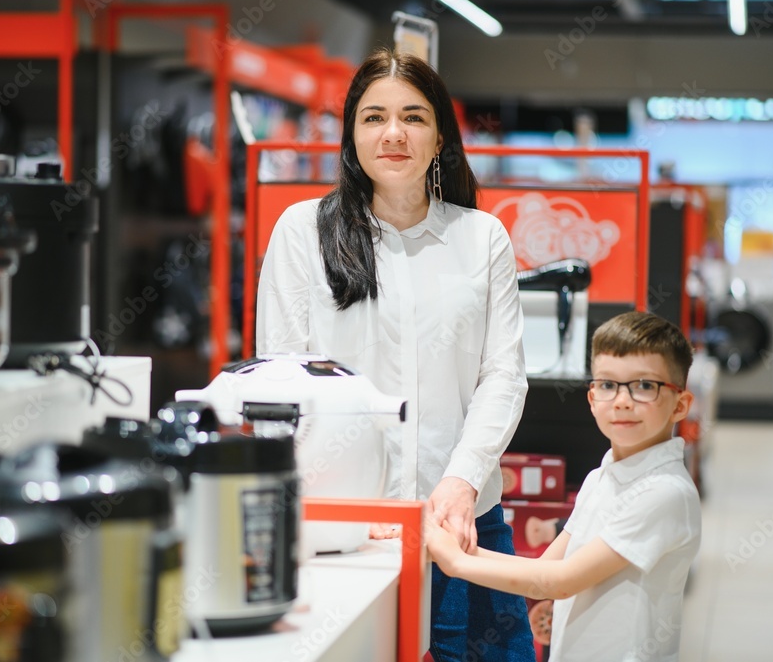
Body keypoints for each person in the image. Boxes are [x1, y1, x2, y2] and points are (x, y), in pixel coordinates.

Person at [256, 48, 534, 661]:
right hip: (350, 526)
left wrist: (459, 485)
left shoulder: (481, 237)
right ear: (351, 135)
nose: (393, 133)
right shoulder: (303, 233)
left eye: (413, 116)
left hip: (465, 522)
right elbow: (283, 386)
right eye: (373, 117)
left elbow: (503, 376)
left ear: (440, 137)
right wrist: (352, 501)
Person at [426, 311, 702, 662]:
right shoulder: (601, 476)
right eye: (607, 384)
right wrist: (449, 548)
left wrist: (451, 558)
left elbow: (558, 581)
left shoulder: (664, 492)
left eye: (644, 386)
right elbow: (545, 567)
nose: (622, 400)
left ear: (680, 405)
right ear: (591, 399)